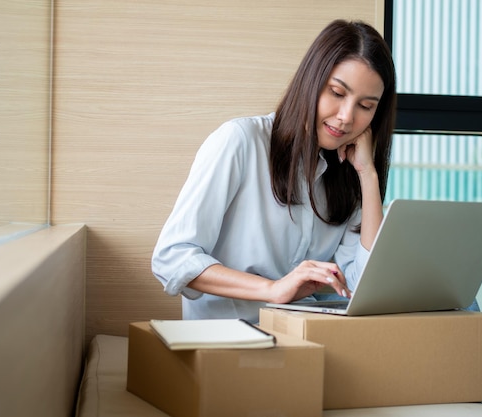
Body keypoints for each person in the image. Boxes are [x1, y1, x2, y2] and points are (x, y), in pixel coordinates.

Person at [152, 19, 396, 323]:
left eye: (366, 106)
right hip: (225, 344)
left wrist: (368, 177)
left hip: (305, 344)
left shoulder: (349, 172)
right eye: (336, 92)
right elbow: (171, 258)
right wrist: (273, 289)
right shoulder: (240, 142)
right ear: (311, 81)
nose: (346, 117)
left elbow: (363, 286)